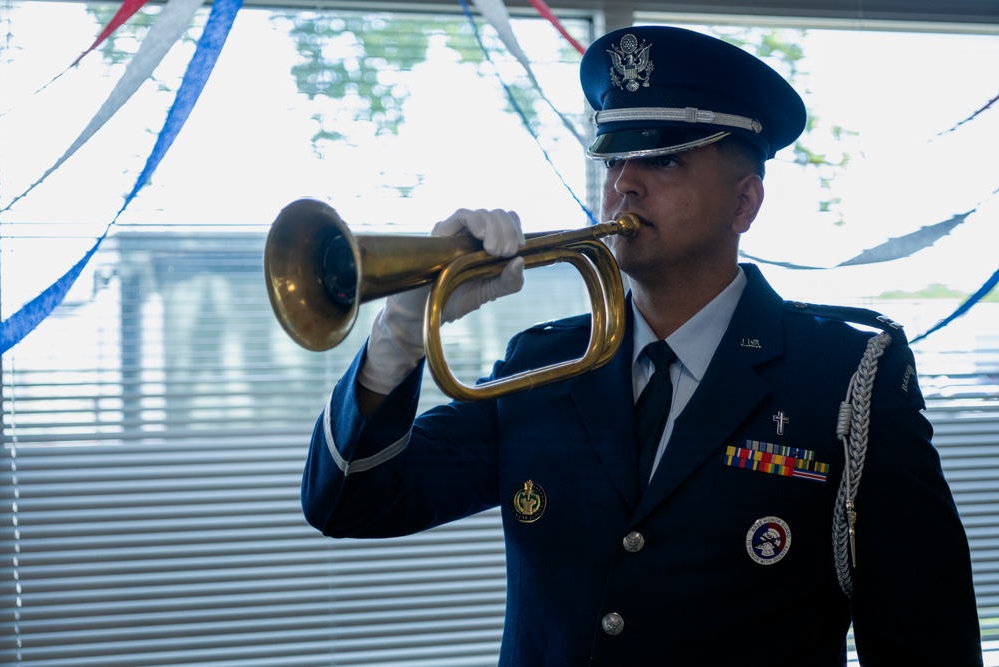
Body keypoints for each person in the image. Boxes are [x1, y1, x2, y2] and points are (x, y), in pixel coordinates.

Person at [301, 25, 983, 665]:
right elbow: (349, 502)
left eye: (662, 158)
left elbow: (928, 640)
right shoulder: (542, 366)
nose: (625, 181)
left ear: (744, 204)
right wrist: (400, 331)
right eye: (617, 156)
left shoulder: (847, 378)